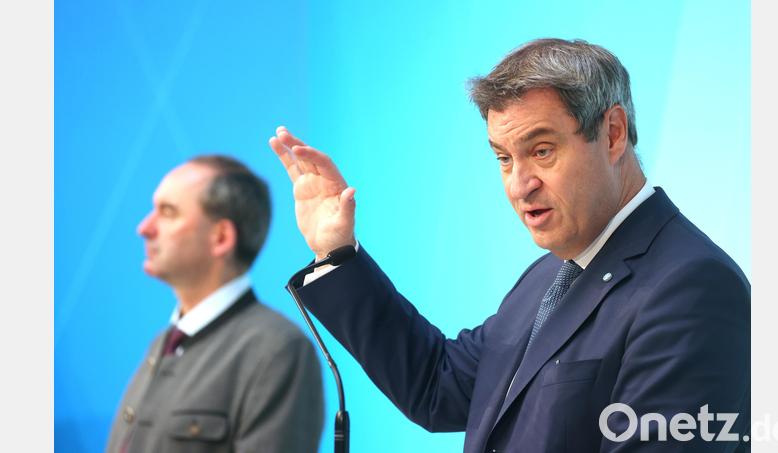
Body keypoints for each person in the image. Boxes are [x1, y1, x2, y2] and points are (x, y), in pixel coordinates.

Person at [269, 38, 750, 452]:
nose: (520, 185)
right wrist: (337, 253)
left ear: (613, 134)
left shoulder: (693, 286)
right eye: (503, 158)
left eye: (542, 151)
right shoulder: (550, 274)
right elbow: (438, 386)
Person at [106, 155, 324, 453]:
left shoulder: (277, 351)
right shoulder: (163, 345)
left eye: (168, 212)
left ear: (220, 237)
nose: (144, 228)